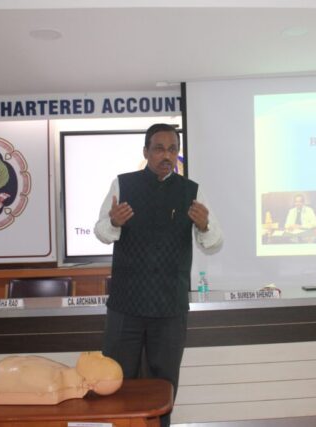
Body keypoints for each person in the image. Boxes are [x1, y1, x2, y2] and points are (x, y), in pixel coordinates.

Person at [94, 123, 223, 426]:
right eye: (159, 149)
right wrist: (113, 222)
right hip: (126, 305)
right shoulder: (122, 185)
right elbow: (101, 232)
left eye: (172, 149)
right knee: (115, 379)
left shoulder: (191, 191)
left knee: (163, 385)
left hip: (169, 307)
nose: (166, 155)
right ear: (146, 152)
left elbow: (214, 241)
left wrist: (204, 225)